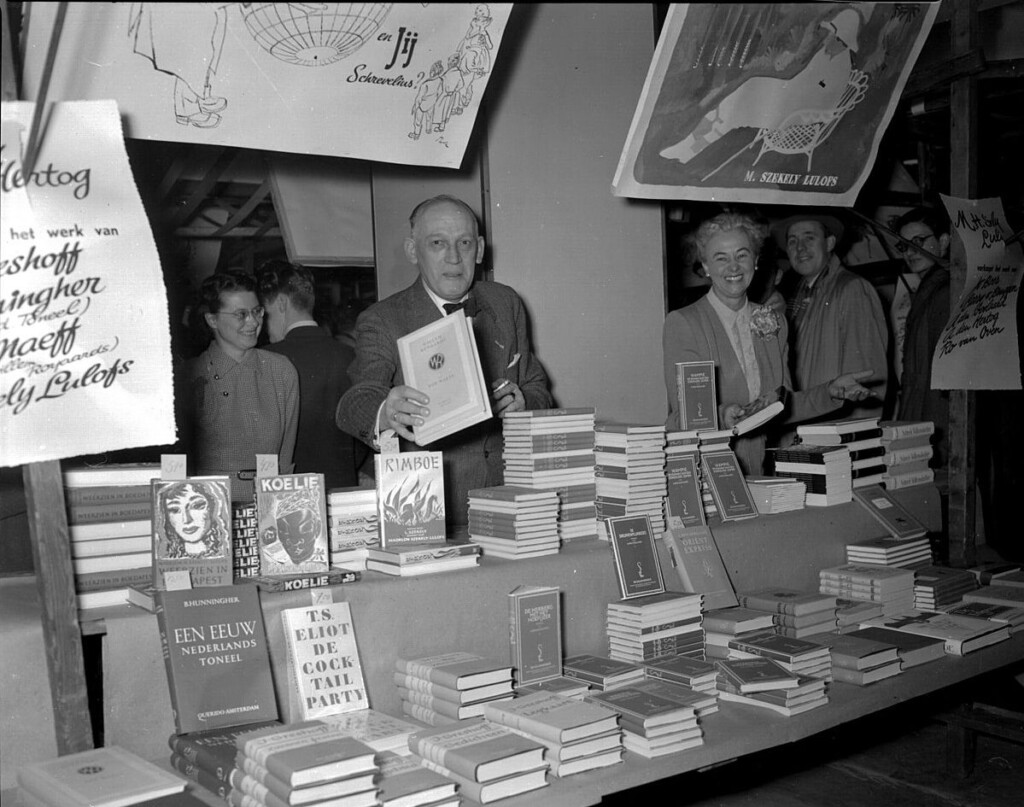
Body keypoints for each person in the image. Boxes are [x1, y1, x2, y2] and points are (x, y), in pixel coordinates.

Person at [336, 195, 553, 524]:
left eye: (464, 243)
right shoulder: (383, 319)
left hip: (510, 499)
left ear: (479, 249)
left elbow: (536, 385)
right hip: (429, 508)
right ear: (413, 250)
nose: (454, 257)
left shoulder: (505, 302)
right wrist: (386, 411)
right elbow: (356, 402)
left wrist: (524, 404)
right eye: (438, 243)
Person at [663, 212, 875, 475]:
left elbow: (781, 405)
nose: (733, 267)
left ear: (756, 260)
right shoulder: (684, 323)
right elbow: (680, 416)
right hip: (706, 471)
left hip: (760, 469)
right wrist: (721, 414)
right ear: (705, 265)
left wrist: (830, 391)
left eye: (742, 255)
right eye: (721, 258)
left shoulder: (774, 321)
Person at [660, 8, 860, 165]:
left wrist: (793, 97)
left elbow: (825, 103)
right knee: (748, 87)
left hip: (800, 113)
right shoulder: (826, 53)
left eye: (835, 36)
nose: (829, 38)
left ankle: (690, 149)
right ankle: (689, 142)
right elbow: (802, 78)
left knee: (739, 111)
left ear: (843, 42)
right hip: (789, 96)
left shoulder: (841, 68)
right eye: (831, 33)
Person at [180, 271, 299, 501]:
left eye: (257, 312)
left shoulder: (281, 371)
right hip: (208, 505)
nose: (253, 322)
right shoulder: (189, 377)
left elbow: (285, 459)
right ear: (212, 319)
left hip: (268, 505)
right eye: (241, 314)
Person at [257, 260, 366, 489]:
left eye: (266, 314)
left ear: (282, 303)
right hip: (342, 489)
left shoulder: (264, 360)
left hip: (286, 494)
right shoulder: (352, 356)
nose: (264, 326)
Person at [776, 211, 889, 428]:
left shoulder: (851, 289)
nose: (800, 248)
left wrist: (855, 439)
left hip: (834, 435)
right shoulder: (800, 295)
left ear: (829, 243)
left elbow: (865, 377)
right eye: (793, 241)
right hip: (807, 429)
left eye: (809, 238)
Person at [894, 206, 951, 467]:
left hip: (936, 417)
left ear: (943, 241)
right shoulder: (928, 288)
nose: (911, 251)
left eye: (919, 241)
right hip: (921, 413)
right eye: (904, 245)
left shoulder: (945, 290)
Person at [154, 479, 231, 559]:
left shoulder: (227, 552)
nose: (187, 520)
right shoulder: (165, 556)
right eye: (174, 510)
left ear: (214, 508)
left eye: (196, 506)